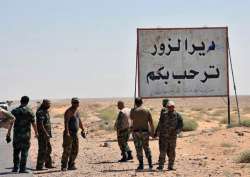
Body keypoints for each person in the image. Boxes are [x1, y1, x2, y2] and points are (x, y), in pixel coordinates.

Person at [8, 96, 38, 173]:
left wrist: (8, 134)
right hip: (26, 136)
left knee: (16, 151)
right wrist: (36, 133)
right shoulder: (29, 111)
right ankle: (22, 169)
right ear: (27, 102)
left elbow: (10, 124)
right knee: (24, 152)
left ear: (21, 101)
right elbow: (33, 123)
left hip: (16, 136)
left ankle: (15, 168)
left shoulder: (14, 111)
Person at [155, 101, 183, 171]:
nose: (171, 108)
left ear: (174, 107)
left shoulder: (177, 115)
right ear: (167, 107)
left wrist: (178, 131)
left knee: (172, 151)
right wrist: (157, 132)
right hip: (163, 136)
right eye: (169, 107)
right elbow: (160, 124)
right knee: (162, 151)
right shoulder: (164, 115)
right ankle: (161, 166)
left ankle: (170, 166)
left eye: (172, 107)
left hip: (172, 137)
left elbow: (181, 124)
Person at [61, 97, 85, 171]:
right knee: (67, 150)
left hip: (75, 133)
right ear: (72, 103)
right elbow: (66, 122)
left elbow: (79, 120)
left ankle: (71, 164)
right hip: (69, 133)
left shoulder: (77, 111)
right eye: (74, 102)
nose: (76, 104)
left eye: (77, 102)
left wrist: (83, 129)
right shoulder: (69, 111)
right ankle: (64, 166)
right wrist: (67, 132)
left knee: (75, 150)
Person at [130, 97, 154, 170]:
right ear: (142, 102)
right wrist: (152, 132)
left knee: (138, 148)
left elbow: (131, 118)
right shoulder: (147, 110)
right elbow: (151, 122)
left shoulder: (133, 110)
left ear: (136, 103)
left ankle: (141, 165)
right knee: (146, 147)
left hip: (136, 132)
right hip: (145, 132)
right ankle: (150, 164)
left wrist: (133, 109)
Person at [36, 99, 55, 170]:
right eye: (48, 104)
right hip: (43, 134)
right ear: (44, 104)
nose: (49, 105)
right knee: (42, 149)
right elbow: (41, 124)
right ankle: (39, 166)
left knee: (48, 149)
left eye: (49, 104)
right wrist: (46, 133)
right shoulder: (40, 112)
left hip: (47, 134)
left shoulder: (45, 111)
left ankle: (48, 164)